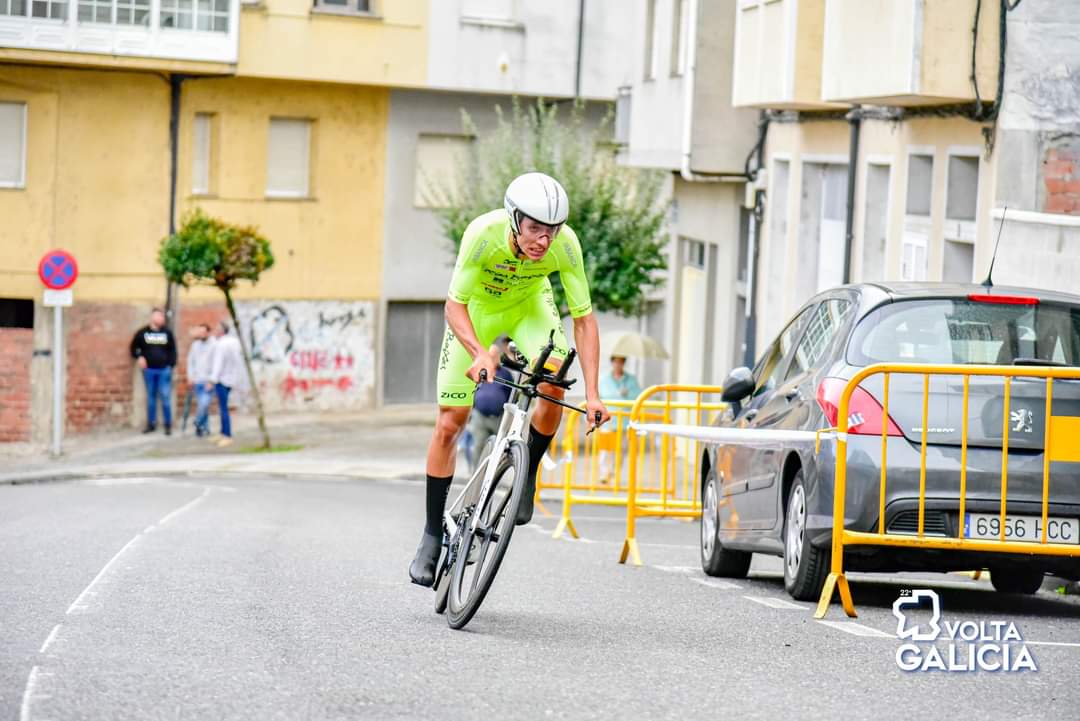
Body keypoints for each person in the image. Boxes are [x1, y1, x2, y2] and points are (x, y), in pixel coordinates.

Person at [408, 171, 611, 587]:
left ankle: (527, 473)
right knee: (450, 421)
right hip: (476, 313)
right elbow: (454, 305)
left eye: (551, 231)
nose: (543, 240)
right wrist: (480, 353)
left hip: (529, 306)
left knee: (555, 379)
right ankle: (431, 535)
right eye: (535, 228)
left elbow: (585, 322)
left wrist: (594, 394)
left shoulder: (565, 246)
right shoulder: (483, 234)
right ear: (514, 219)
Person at [465, 335, 514, 471]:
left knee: (498, 447)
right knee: (478, 445)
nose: (493, 358)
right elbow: (472, 390)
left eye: (495, 356)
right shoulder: (481, 371)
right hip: (480, 415)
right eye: (490, 355)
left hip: (498, 417)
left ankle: (492, 475)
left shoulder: (505, 374)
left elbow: (511, 395)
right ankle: (475, 475)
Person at [130, 308, 177, 435]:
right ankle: (151, 424)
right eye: (158, 316)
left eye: (162, 317)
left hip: (164, 370)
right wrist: (139, 356)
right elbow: (134, 348)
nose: (161, 319)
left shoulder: (167, 333)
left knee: (165, 397)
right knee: (151, 398)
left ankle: (168, 425)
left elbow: (173, 350)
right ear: (152, 317)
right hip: (149, 370)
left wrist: (170, 365)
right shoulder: (142, 333)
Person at [208, 321, 245, 448]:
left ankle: (227, 435)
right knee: (224, 407)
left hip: (221, 379)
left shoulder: (221, 345)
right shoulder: (233, 343)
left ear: (222, 331)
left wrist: (212, 379)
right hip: (231, 378)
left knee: (223, 408)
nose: (214, 331)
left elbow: (218, 364)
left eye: (217, 329)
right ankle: (223, 432)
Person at [186, 324, 215, 437]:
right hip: (197, 380)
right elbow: (191, 362)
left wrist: (212, 380)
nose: (201, 334)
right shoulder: (195, 345)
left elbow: (216, 363)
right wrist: (190, 377)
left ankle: (198, 422)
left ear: (208, 332)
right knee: (203, 406)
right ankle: (204, 428)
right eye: (200, 332)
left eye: (203, 332)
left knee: (204, 404)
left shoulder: (214, 344)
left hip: (208, 381)